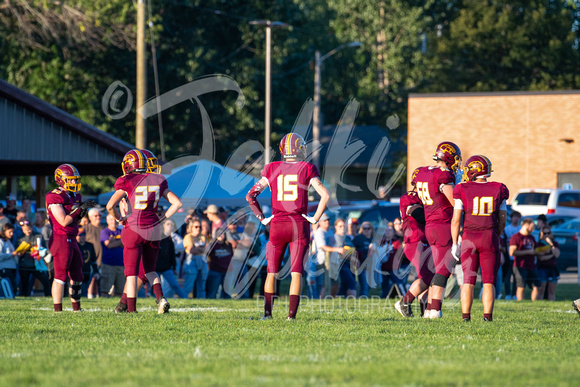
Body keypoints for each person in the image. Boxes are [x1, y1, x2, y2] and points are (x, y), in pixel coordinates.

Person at [246, 133, 330, 320]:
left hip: (277, 224)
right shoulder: (307, 167)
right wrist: (315, 218)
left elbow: (250, 196)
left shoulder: (272, 168)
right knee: (296, 273)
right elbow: (325, 195)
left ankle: (268, 314)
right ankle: (291, 316)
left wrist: (262, 218)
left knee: (271, 272)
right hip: (299, 224)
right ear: (299, 149)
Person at [106, 149, 182, 313]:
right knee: (151, 270)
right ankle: (161, 298)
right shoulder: (158, 179)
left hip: (134, 228)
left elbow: (109, 206)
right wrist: (162, 218)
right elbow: (177, 203)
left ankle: (131, 310)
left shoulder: (126, 179)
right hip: (154, 228)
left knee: (132, 274)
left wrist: (120, 218)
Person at [451, 155, 509, 322]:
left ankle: (466, 317)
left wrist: (455, 243)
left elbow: (456, 220)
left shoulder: (462, 188)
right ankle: (487, 317)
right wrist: (495, 234)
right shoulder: (499, 188)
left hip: (469, 237)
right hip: (489, 235)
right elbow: (503, 219)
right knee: (488, 281)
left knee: (468, 281)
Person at [412, 141, 462, 318]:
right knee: (443, 269)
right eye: (455, 158)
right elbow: (454, 202)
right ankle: (434, 310)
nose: (457, 162)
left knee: (439, 268)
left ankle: (430, 310)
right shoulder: (443, 175)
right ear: (448, 157)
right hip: (442, 225)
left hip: (431, 225)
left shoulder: (424, 172)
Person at [46, 164, 95, 312]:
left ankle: (76, 308)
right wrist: (80, 209)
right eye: (71, 180)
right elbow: (64, 221)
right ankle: (58, 310)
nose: (74, 183)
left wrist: (81, 212)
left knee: (77, 274)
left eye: (75, 180)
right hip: (60, 238)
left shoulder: (75, 195)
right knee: (60, 275)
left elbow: (75, 220)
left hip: (72, 237)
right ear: (60, 180)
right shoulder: (54, 195)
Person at [395, 177, 432, 318]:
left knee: (426, 277)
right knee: (429, 276)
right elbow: (419, 215)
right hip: (415, 241)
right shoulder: (410, 197)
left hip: (424, 240)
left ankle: (425, 312)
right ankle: (405, 302)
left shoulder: (426, 197)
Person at [309, 213, 345, 299]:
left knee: (336, 283)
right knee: (325, 284)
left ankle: (330, 299)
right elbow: (323, 247)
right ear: (320, 222)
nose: (327, 222)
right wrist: (337, 249)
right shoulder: (319, 232)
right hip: (323, 262)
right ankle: (323, 301)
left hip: (332, 261)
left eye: (328, 220)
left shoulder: (330, 231)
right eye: (324, 220)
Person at [509, 218, 541, 301]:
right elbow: (512, 252)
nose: (533, 229)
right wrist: (528, 252)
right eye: (532, 227)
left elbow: (535, 250)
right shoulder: (516, 237)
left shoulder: (531, 237)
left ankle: (535, 305)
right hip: (520, 265)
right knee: (521, 286)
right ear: (526, 225)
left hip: (531, 265)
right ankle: (521, 304)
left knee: (537, 285)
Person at [157, 219, 188, 299]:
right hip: (155, 269)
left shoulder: (169, 240)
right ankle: (157, 300)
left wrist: (173, 267)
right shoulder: (152, 240)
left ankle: (185, 298)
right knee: (156, 286)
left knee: (174, 285)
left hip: (166, 268)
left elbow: (172, 254)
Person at [182, 218, 208, 299]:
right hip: (192, 262)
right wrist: (201, 249)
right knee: (189, 285)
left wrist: (197, 249)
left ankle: (202, 302)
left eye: (200, 227)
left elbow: (208, 250)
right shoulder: (188, 237)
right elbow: (191, 250)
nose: (198, 229)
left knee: (202, 285)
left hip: (203, 262)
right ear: (191, 228)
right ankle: (184, 300)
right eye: (196, 227)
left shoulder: (203, 237)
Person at [100, 214, 125, 297]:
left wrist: (114, 241)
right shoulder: (105, 232)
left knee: (121, 289)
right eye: (111, 219)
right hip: (108, 264)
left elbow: (126, 243)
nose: (113, 221)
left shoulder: (122, 231)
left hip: (121, 264)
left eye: (115, 219)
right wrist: (121, 242)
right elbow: (108, 245)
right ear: (107, 221)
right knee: (105, 288)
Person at [205, 230, 233, 299]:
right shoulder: (212, 245)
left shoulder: (228, 245)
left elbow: (231, 257)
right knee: (212, 293)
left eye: (222, 233)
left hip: (227, 272)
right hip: (215, 271)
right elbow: (207, 256)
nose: (221, 235)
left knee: (227, 293)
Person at [334, 218, 357, 298]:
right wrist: (354, 259)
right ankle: (354, 301)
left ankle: (338, 299)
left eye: (344, 226)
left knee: (344, 285)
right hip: (342, 264)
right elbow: (342, 252)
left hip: (349, 264)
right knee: (351, 283)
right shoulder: (337, 237)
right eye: (340, 226)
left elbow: (353, 250)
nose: (343, 228)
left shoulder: (346, 237)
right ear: (336, 227)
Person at [536, 226, 560, 301]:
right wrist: (552, 254)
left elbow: (557, 254)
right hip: (542, 268)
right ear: (541, 234)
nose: (546, 235)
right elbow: (541, 258)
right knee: (541, 290)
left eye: (548, 233)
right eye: (544, 233)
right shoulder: (539, 244)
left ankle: (552, 305)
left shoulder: (554, 243)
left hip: (552, 268)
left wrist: (550, 244)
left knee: (551, 290)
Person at [352, 221, 376, 297]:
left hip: (371, 265)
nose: (366, 230)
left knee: (369, 285)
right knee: (364, 285)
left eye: (368, 228)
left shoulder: (373, 239)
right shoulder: (358, 238)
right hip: (361, 265)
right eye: (364, 228)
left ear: (371, 229)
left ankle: (365, 298)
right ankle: (363, 298)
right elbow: (352, 250)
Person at [503, 210, 521, 300]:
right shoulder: (507, 229)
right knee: (507, 276)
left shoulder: (520, 229)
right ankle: (507, 294)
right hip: (508, 257)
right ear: (511, 218)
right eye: (514, 217)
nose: (516, 219)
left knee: (516, 277)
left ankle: (514, 294)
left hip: (517, 257)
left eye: (517, 217)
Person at [76, 227, 99, 298]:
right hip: (76, 272)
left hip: (87, 272)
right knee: (77, 290)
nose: (82, 237)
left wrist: (96, 271)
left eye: (83, 235)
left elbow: (93, 260)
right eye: (80, 235)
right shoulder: (75, 245)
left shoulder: (90, 245)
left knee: (85, 290)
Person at [0, 223, 18, 296]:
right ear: (4, 231)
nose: (12, 234)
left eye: (13, 232)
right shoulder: (1, 242)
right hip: (5, 268)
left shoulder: (9, 241)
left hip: (12, 267)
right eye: (10, 232)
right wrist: (11, 254)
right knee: (9, 288)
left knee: (13, 286)